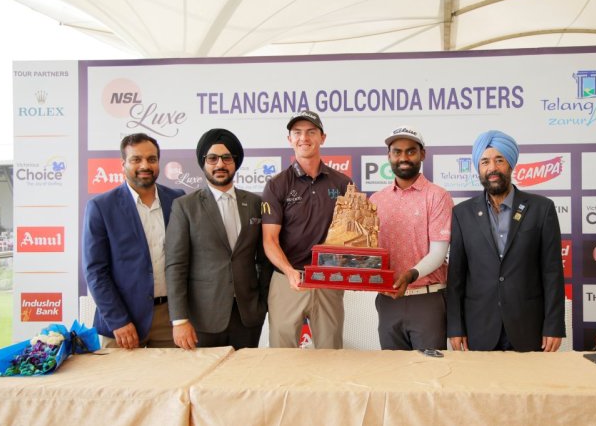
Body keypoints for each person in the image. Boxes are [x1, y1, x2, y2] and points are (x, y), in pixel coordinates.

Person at [446, 130, 565, 352]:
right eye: (485, 162)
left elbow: (552, 273)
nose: (492, 168)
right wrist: (455, 327)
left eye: (499, 160)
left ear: (510, 164)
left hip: (528, 326)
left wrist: (554, 325)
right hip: (478, 328)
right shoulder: (462, 213)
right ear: (478, 168)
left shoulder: (542, 209)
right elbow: (456, 277)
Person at [165, 128, 272, 350]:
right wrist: (179, 320)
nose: (220, 164)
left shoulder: (255, 203)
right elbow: (176, 266)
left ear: (236, 162)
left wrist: (262, 304)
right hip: (203, 318)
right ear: (203, 162)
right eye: (212, 158)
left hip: (248, 316)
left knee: (245, 372)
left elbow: (264, 260)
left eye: (227, 158)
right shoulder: (185, 206)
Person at [83, 133, 184, 348]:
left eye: (151, 159)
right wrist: (119, 320)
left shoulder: (178, 200)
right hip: (123, 322)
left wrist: (182, 317)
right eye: (136, 159)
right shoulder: (101, 207)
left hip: (170, 319)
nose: (145, 165)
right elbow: (95, 271)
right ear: (123, 164)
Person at [262, 110, 352, 348]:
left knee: (331, 352)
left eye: (311, 132)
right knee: (281, 354)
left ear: (323, 138)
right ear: (289, 139)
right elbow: (270, 240)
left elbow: (352, 237)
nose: (304, 138)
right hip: (287, 279)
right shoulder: (276, 184)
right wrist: (289, 271)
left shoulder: (343, 183)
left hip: (328, 280)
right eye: (297, 132)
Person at [369, 126, 453, 350]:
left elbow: (438, 253)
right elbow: (369, 252)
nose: (404, 158)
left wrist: (410, 275)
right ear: (389, 156)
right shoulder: (376, 200)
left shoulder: (437, 196)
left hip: (426, 300)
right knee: (393, 369)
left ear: (422, 154)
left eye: (411, 151)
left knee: (429, 369)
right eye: (397, 152)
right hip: (388, 301)